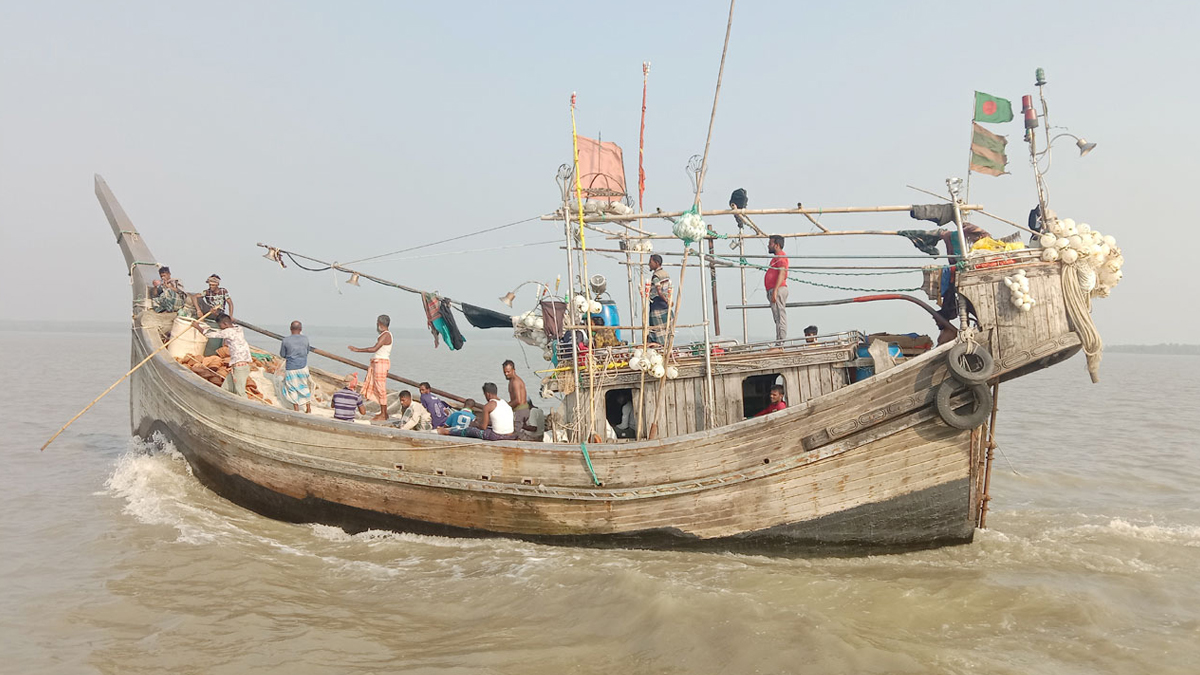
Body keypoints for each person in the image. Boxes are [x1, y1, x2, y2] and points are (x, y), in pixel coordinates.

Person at [192, 313, 251, 397]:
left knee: (240, 392)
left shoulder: (228, 332)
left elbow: (210, 334)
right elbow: (220, 330)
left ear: (225, 324)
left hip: (240, 366)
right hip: (237, 365)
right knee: (226, 388)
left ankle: (245, 408)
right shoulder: (238, 329)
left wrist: (197, 326)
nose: (220, 327)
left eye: (220, 325)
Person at [348, 314, 393, 421]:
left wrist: (357, 350)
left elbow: (374, 349)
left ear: (380, 324)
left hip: (381, 363)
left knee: (380, 388)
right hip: (378, 362)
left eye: (377, 323)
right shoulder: (384, 335)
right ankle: (384, 413)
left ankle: (383, 414)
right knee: (376, 386)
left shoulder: (386, 335)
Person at [438, 382, 516, 440]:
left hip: (497, 436)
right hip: (510, 435)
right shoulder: (505, 403)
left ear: (488, 394)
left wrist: (475, 424)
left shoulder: (488, 406)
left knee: (470, 430)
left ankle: (448, 432)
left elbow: (483, 427)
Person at [279, 320, 313, 413]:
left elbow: (282, 354)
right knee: (304, 386)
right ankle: (308, 408)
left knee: (292, 388)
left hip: (291, 368)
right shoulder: (305, 339)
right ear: (301, 329)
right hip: (303, 367)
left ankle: (296, 409)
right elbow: (307, 351)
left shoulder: (285, 340)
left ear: (290, 329)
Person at [766, 235, 789, 347]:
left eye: (770, 243)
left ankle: (780, 343)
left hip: (778, 290)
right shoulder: (776, 258)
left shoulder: (781, 256)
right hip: (775, 290)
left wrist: (775, 291)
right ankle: (779, 341)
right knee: (777, 317)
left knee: (780, 316)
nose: (768, 246)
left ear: (777, 245)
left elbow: (782, 272)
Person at [647, 254, 672, 346]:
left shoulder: (656, 276)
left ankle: (660, 348)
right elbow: (668, 289)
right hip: (665, 305)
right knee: (666, 331)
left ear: (656, 263)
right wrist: (668, 301)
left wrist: (666, 300)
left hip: (657, 305)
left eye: (650, 262)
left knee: (656, 332)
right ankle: (666, 347)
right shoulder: (665, 274)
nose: (649, 264)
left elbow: (659, 291)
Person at [502, 360, 531, 433]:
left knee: (515, 433)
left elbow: (518, 400)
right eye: (504, 372)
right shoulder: (512, 380)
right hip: (521, 410)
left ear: (513, 370)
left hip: (520, 411)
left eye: (508, 372)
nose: (506, 374)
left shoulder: (515, 382)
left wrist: (506, 406)